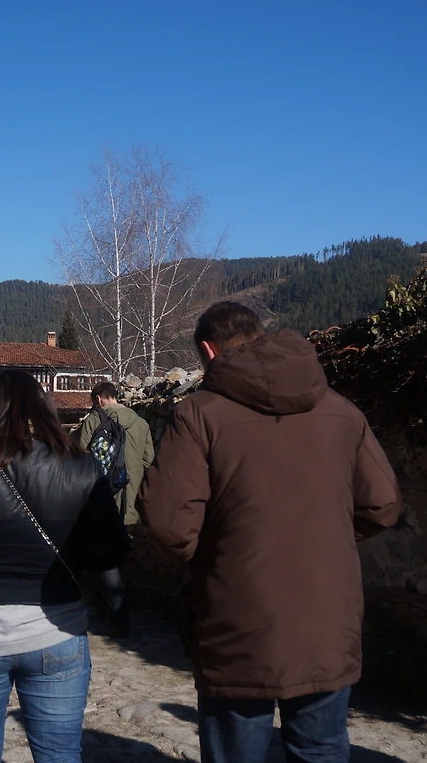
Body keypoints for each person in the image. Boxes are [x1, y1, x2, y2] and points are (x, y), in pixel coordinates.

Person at [138, 301, 401, 763]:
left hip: (236, 618)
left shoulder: (199, 414)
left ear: (208, 351)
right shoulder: (342, 410)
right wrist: (325, 541)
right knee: (320, 752)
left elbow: (168, 524)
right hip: (327, 615)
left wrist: (219, 554)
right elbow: (382, 505)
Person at [0, 370, 131, 763]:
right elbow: (112, 551)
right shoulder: (83, 467)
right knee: (60, 756)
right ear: (43, 407)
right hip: (56, 628)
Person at [78, 381, 153, 637]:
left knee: (103, 556)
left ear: (99, 398)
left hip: (102, 498)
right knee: (119, 555)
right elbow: (149, 461)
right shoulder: (141, 423)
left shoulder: (93, 420)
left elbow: (80, 458)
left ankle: (114, 613)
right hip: (131, 500)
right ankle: (107, 606)